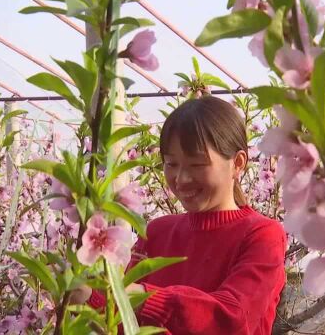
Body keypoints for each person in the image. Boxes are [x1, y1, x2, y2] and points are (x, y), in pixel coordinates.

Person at [73, 96, 287, 334]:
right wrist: (88, 297)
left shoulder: (263, 235)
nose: (182, 179)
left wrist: (133, 294)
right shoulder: (156, 231)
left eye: (197, 165)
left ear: (237, 163)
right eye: (171, 164)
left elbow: (231, 318)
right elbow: (127, 323)